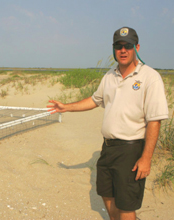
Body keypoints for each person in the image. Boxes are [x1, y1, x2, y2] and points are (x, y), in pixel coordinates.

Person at [47, 27, 169, 220]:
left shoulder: (149, 77)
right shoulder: (109, 76)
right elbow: (95, 100)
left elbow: (155, 120)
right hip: (108, 149)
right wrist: (66, 107)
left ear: (136, 47)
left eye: (127, 46)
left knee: (126, 205)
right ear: (113, 49)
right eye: (118, 46)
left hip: (131, 150)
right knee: (107, 195)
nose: (123, 50)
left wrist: (146, 158)